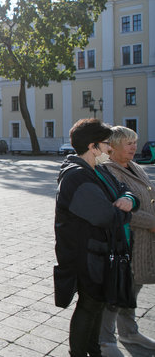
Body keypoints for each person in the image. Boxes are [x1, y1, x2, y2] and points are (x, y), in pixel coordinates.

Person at [54, 118, 139, 357]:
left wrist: (129, 201)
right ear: (93, 147)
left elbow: (125, 191)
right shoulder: (76, 176)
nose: (110, 149)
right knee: (89, 306)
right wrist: (124, 210)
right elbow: (106, 216)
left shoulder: (98, 169)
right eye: (107, 144)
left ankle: (94, 351)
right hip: (86, 256)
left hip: (100, 254)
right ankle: (80, 352)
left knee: (97, 305)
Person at [99, 126, 155, 357]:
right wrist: (152, 223)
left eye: (135, 142)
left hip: (144, 242)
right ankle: (104, 339)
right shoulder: (107, 172)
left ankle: (129, 331)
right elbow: (117, 209)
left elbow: (148, 195)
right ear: (112, 147)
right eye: (128, 143)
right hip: (125, 241)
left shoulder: (135, 167)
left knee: (133, 287)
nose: (134, 147)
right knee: (117, 290)